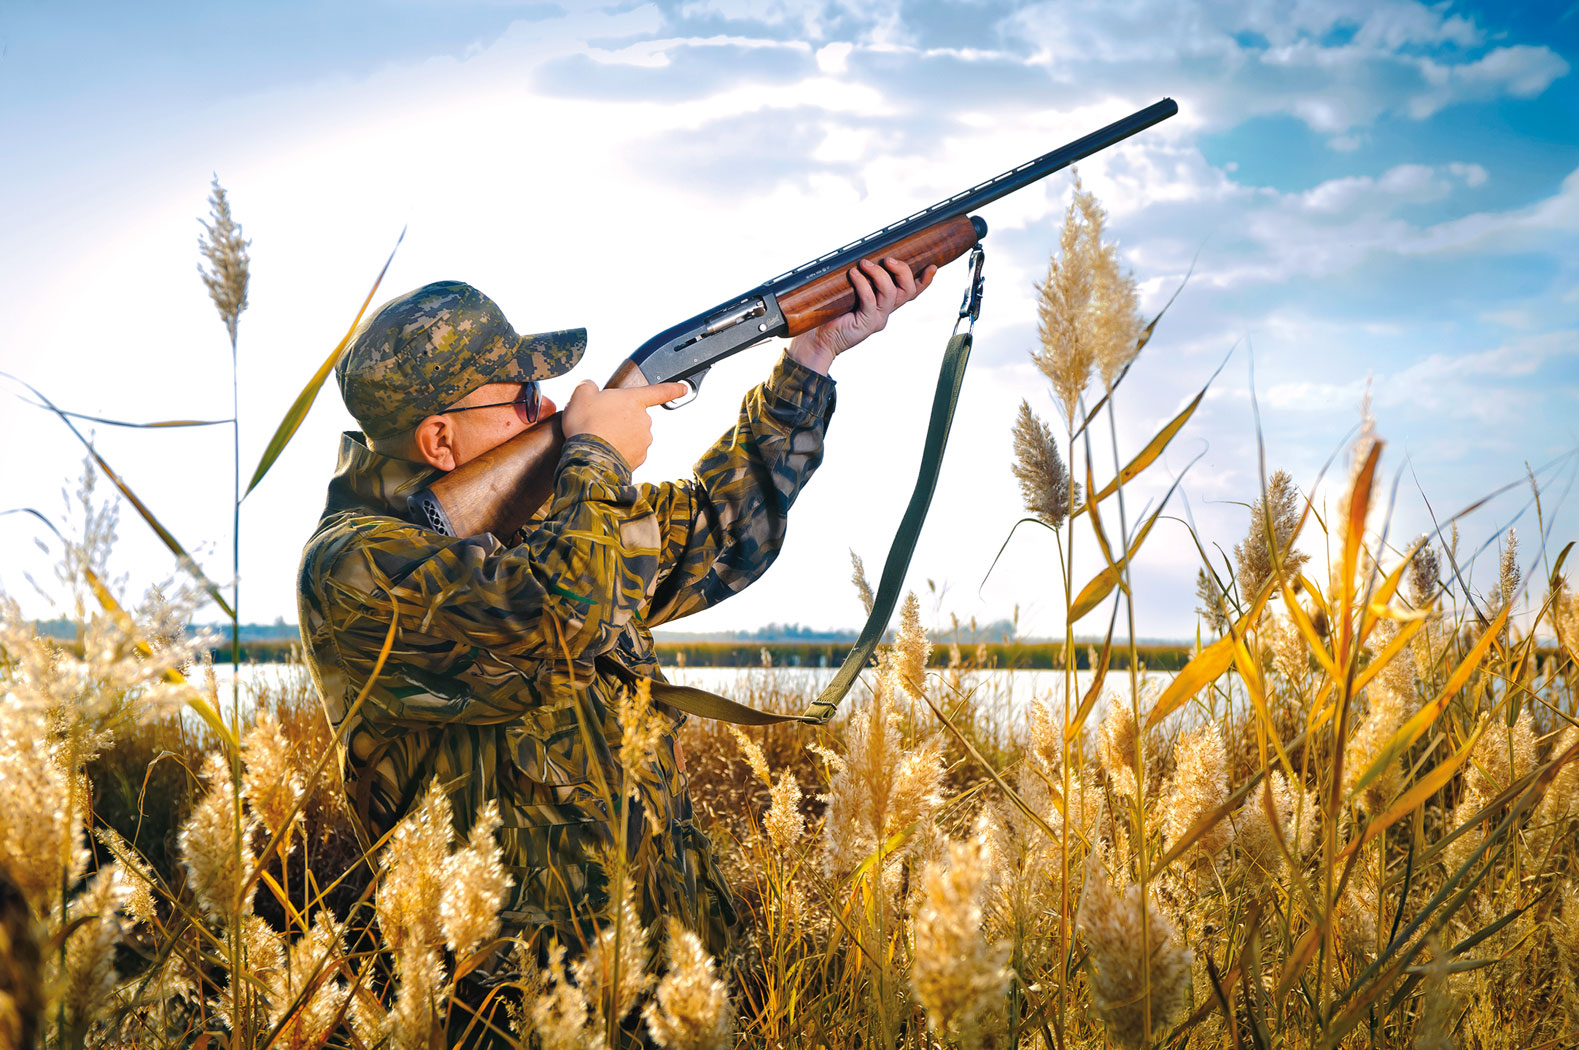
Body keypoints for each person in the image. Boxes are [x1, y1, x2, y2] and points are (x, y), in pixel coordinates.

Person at [295, 257, 935, 1007]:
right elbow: (562, 620)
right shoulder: (357, 566)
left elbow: (721, 527)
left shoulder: (550, 519)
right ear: (440, 440)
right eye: (523, 396)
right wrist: (595, 459)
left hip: (663, 977)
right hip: (517, 1005)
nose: (553, 408)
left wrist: (811, 357)